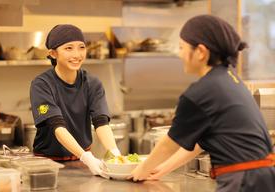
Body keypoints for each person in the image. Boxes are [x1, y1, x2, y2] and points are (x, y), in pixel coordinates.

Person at [130, 15, 275, 191]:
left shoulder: (202, 92)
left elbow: (170, 143)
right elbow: (199, 142)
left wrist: (141, 170)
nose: (179, 54)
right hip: (261, 176)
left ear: (200, 52)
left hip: (244, 180)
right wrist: (162, 169)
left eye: (182, 48)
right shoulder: (228, 77)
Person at [30, 24, 121, 178]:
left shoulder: (92, 83)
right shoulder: (42, 84)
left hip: (82, 164)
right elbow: (57, 128)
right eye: (69, 48)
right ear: (53, 53)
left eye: (81, 47)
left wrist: (115, 153)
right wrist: (85, 157)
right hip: (48, 164)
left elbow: (101, 123)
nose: (77, 54)